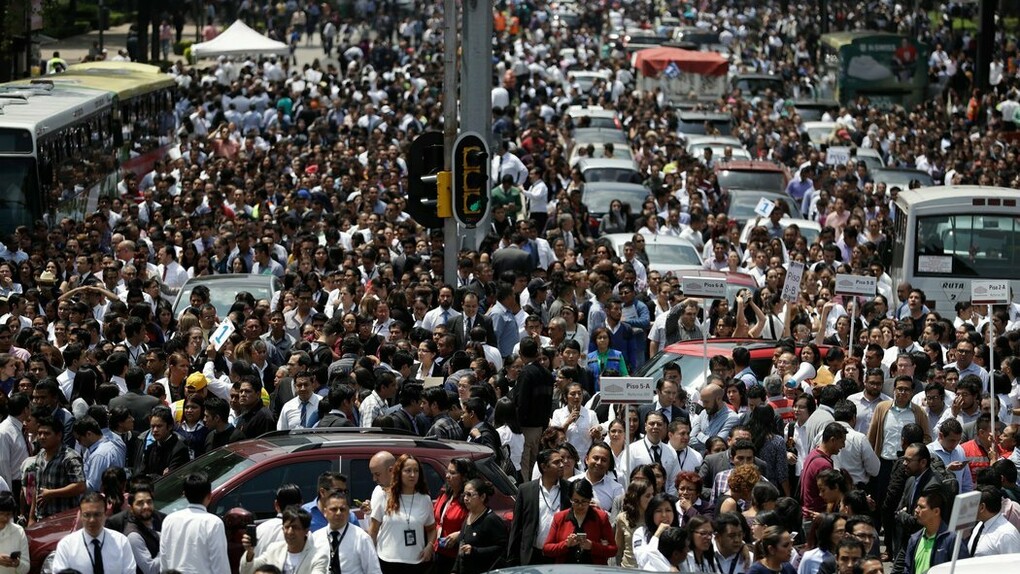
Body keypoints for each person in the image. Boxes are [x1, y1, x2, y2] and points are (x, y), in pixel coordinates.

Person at [369, 454, 437, 574]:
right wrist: (370, 559)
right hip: (387, 561)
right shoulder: (384, 495)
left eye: (416, 471)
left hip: (416, 562)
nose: (412, 475)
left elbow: (431, 529)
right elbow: (373, 530)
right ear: (399, 472)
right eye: (408, 471)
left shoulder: (425, 499)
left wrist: (430, 546)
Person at [507, 448, 571, 566]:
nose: (562, 465)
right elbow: (516, 526)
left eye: (561, 461)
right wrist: (512, 558)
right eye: (556, 462)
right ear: (544, 467)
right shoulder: (526, 490)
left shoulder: (569, 489)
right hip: (532, 556)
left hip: (560, 555)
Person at [159, 472, 231, 574]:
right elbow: (220, 564)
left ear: (184, 494)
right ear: (209, 496)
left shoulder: (169, 520)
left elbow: (163, 559)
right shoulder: (213, 523)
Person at [52, 492, 136, 573]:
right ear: (80, 516)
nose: (92, 520)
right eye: (87, 515)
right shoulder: (66, 545)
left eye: (97, 514)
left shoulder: (121, 542)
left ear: (105, 514)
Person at [542, 479, 616, 564]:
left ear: (590, 499)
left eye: (584, 501)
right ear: (570, 499)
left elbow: (613, 550)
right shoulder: (559, 517)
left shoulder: (601, 517)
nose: (580, 506)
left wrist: (592, 546)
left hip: (593, 568)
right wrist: (566, 544)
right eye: (576, 501)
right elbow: (546, 549)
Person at [29, 415, 85, 525]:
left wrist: (51, 493)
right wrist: (31, 517)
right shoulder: (40, 455)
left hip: (63, 521)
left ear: (59, 435)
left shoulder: (70, 458)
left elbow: (80, 486)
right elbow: (37, 488)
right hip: (41, 520)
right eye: (40, 433)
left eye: (47, 434)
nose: (42, 437)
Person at [240, 506, 328, 574]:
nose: (290, 532)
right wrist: (250, 553)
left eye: (295, 528)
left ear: (306, 531)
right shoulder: (274, 549)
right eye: (287, 527)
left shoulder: (318, 556)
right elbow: (247, 571)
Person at [312, 488, 381, 574]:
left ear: (348, 512)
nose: (338, 513)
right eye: (334, 509)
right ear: (325, 512)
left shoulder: (361, 538)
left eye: (342, 509)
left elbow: (374, 571)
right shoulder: (315, 538)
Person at [902, 487, 967, 574]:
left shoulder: (952, 540)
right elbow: (907, 569)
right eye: (917, 506)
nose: (916, 510)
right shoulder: (914, 539)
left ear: (936, 511)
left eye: (922, 507)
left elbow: (963, 569)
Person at [455, 478, 509, 574]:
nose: (465, 498)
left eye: (469, 494)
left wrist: (475, 551)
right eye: (464, 494)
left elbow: (502, 548)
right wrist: (455, 570)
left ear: (482, 496)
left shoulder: (490, 520)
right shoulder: (469, 516)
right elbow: (461, 549)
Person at [433, 458, 476, 574]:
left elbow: (477, 525)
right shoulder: (445, 494)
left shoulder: (469, 500)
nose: (447, 476)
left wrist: (459, 534)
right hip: (437, 553)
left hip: (456, 558)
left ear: (464, 477)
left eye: (452, 473)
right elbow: (435, 518)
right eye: (447, 472)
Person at [966, 485, 1020, 556]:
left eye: (973, 505)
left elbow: (1013, 562)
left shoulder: (1006, 535)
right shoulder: (980, 525)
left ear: (982, 507)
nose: (969, 508)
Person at [122, 479, 162, 574]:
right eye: (140, 503)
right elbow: (150, 570)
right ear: (131, 508)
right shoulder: (133, 536)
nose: (146, 506)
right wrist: (167, 548)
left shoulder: (160, 519)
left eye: (149, 502)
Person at [615, 477, 654, 568]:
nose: (652, 498)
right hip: (627, 569)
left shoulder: (655, 517)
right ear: (636, 498)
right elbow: (618, 548)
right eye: (648, 496)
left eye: (653, 494)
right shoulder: (622, 518)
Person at [0, 491, 28, 573]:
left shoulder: (19, 531)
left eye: (8, 514)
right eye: (1, 513)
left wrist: (18, 563)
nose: (5, 518)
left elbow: (26, 567)